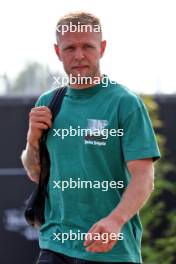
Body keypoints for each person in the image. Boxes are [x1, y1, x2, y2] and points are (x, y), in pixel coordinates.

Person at [21, 11, 161, 264]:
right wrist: (32, 139)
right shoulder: (48, 103)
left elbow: (144, 178)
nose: (78, 55)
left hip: (109, 249)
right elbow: (35, 172)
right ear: (57, 51)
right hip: (56, 244)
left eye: (87, 46)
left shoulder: (125, 104)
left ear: (102, 48)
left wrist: (115, 220)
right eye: (70, 47)